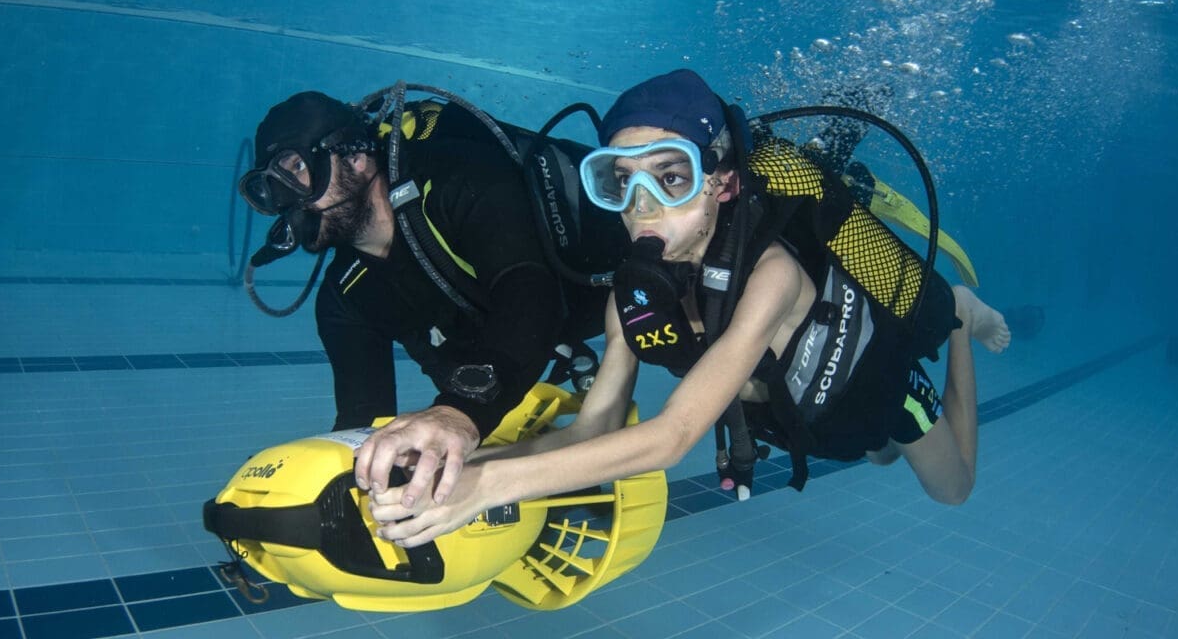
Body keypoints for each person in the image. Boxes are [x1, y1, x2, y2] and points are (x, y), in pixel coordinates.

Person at [361, 70, 1012, 546]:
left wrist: (487, 491)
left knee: (951, 489)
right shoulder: (629, 299)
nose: (643, 204)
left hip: (878, 386)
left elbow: (672, 438)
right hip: (810, 418)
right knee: (875, 454)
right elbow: (597, 429)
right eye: (621, 180)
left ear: (721, 185)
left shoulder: (774, 275)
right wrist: (464, 472)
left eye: (671, 178)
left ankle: (958, 316)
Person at [240, 91, 602, 507]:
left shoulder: (456, 177)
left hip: (598, 289)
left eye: (297, 170)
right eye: (270, 186)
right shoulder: (346, 298)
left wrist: (457, 414)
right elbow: (360, 423)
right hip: (506, 356)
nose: (287, 201)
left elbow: (531, 295)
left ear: (356, 158)